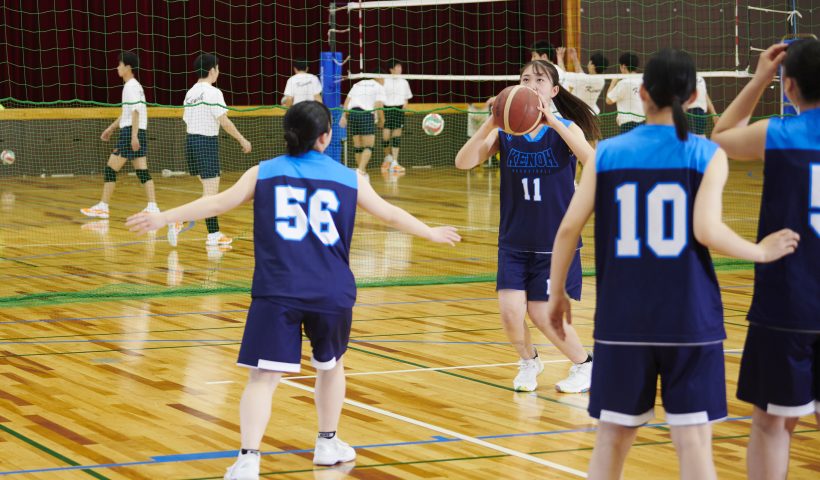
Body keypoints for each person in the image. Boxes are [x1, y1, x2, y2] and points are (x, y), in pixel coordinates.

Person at [126, 101, 461, 480]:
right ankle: (326, 442)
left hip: (277, 290)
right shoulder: (350, 178)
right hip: (330, 291)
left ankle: (249, 459)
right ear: (325, 137)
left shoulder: (263, 172)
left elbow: (216, 201)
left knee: (262, 378)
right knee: (331, 367)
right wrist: (431, 232)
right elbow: (389, 214)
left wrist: (163, 217)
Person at [545, 48, 798, 480]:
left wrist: (557, 295)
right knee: (693, 441)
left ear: (641, 94)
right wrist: (759, 250)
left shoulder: (606, 154)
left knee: (611, 439)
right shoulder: (705, 153)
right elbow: (706, 230)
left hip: (623, 319)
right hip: (689, 318)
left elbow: (568, 229)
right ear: (696, 95)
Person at [455, 60, 601, 393]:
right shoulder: (506, 133)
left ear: (553, 91)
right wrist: (489, 122)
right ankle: (529, 360)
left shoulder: (567, 128)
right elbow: (463, 162)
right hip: (514, 240)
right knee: (509, 313)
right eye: (525, 78)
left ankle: (584, 365)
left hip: (555, 243)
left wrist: (554, 121)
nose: (530, 84)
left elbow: (593, 162)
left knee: (542, 314)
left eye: (539, 79)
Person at [711, 40, 819, 480]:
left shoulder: (776, 133)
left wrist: (758, 80)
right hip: (793, 301)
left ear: (788, 84)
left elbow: (719, 137)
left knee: (773, 423)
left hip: (787, 303)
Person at [170, 53, 252, 249]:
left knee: (209, 194)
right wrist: (242, 139)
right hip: (206, 144)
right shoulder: (213, 92)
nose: (219, 72)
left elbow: (186, 120)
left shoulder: (190, 92)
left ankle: (212, 233)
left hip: (190, 143)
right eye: (218, 68)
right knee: (211, 196)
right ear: (211, 70)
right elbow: (224, 121)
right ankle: (187, 223)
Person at [82, 51, 157, 219]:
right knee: (142, 171)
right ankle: (153, 206)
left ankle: (103, 207)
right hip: (135, 130)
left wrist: (133, 136)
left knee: (110, 170)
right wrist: (111, 128)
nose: (117, 67)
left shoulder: (130, 86)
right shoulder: (135, 86)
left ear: (128, 67)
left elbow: (136, 112)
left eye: (120, 64)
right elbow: (127, 113)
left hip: (131, 132)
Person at [339, 78, 386, 175]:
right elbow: (378, 105)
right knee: (368, 146)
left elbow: (347, 101)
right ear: (379, 77)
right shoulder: (378, 86)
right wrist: (382, 120)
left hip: (352, 114)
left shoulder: (358, 83)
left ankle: (361, 172)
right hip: (366, 114)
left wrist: (343, 116)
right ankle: (360, 171)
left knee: (358, 147)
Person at [379, 59, 413, 174]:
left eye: (400, 67)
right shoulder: (385, 81)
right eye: (397, 67)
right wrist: (381, 114)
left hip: (399, 109)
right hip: (387, 109)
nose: (400, 69)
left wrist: (404, 106)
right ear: (391, 69)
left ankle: (394, 161)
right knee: (386, 135)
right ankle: (387, 158)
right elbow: (380, 97)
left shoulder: (404, 82)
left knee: (397, 136)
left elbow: (406, 98)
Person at [559, 47, 609, 114]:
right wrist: (574, 58)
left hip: (579, 113)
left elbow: (563, 74)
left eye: (589, 62)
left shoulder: (584, 79)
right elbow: (581, 75)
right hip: (591, 113)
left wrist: (559, 57)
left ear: (592, 65)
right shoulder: (601, 80)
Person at [606, 52, 644, 133]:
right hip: (643, 123)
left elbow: (608, 100)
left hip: (628, 125)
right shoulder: (643, 80)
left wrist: (613, 82)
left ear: (623, 66)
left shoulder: (624, 83)